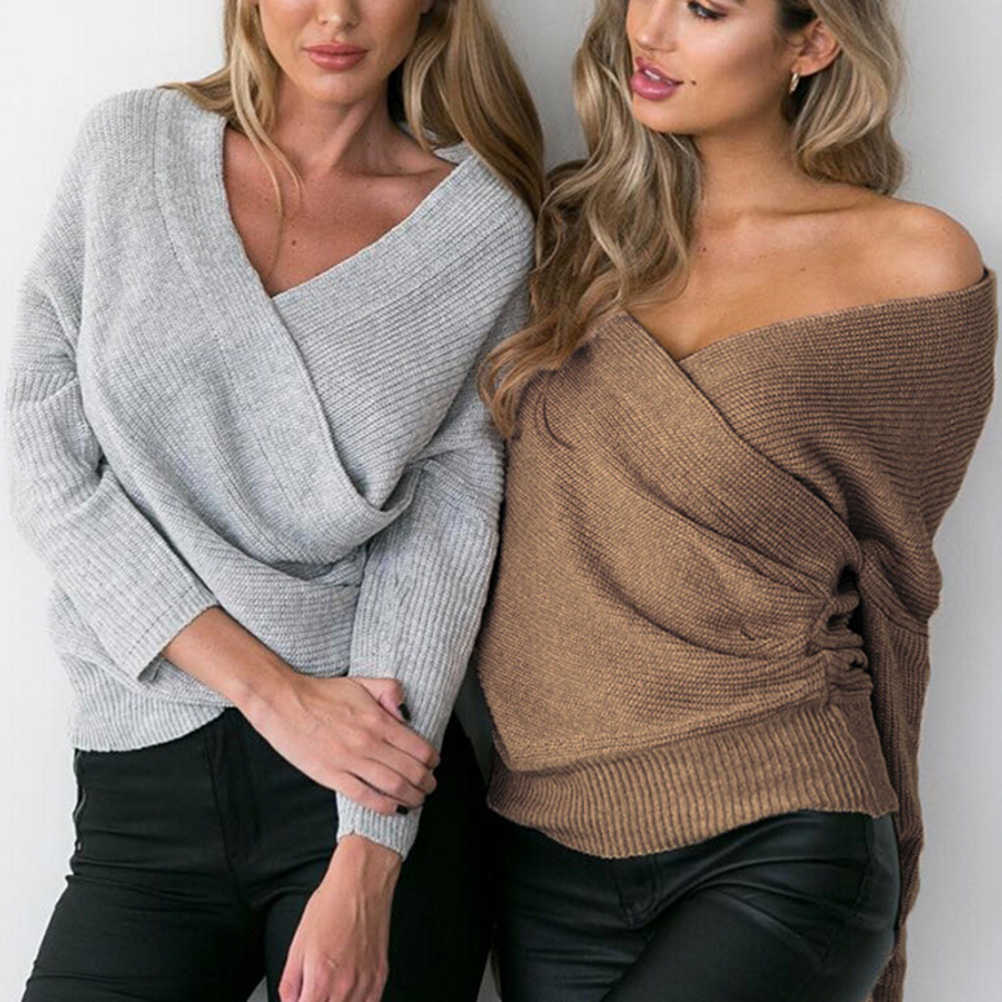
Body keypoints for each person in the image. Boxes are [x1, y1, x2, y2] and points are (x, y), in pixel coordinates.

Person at [5, 1, 542, 1001]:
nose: (335, 14)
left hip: (362, 789)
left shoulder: (480, 231)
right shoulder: (131, 147)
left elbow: (444, 534)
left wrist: (369, 860)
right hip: (141, 783)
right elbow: (41, 443)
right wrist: (271, 693)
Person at [475, 1, 996, 1001]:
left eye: (707, 8)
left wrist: (904, 840)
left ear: (812, 41)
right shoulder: (568, 239)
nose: (650, 30)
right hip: (546, 842)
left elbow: (895, 580)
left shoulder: (912, 260)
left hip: (779, 823)